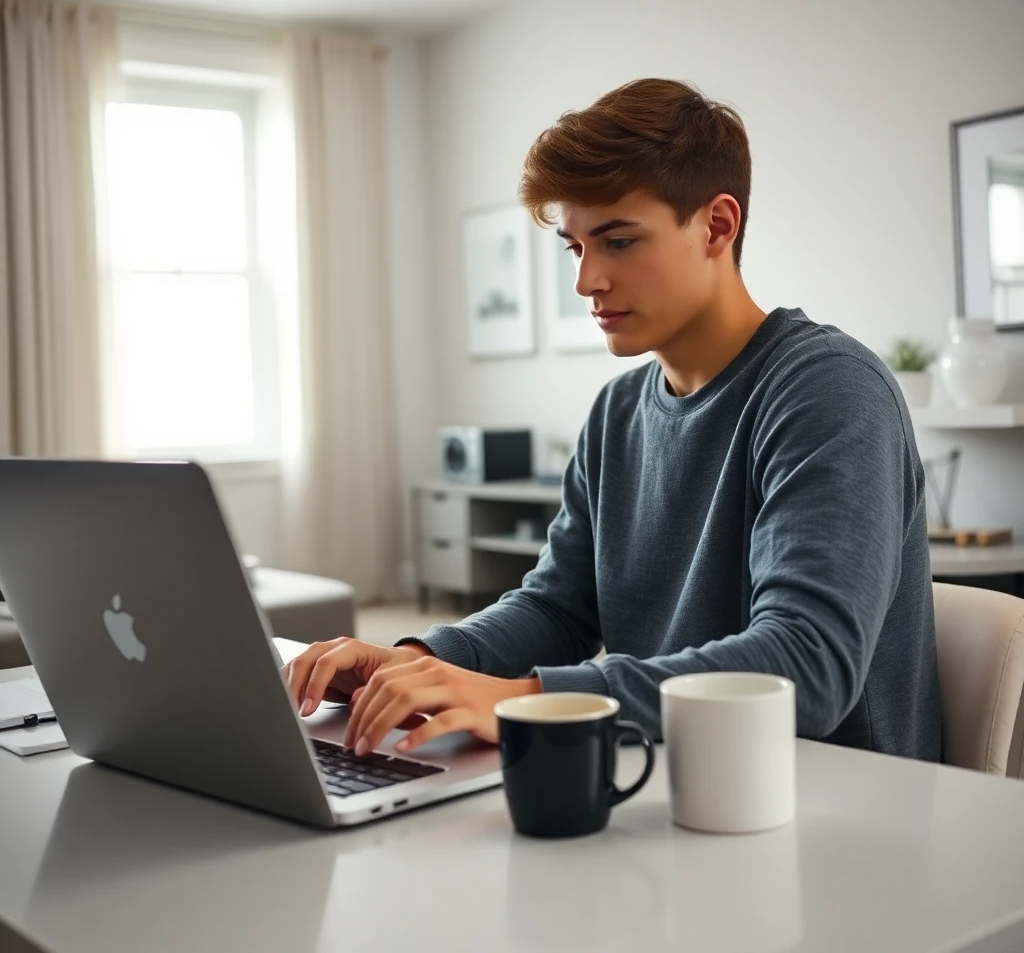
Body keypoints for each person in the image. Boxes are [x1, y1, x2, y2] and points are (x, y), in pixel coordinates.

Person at [283, 77, 942, 764]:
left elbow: (808, 663)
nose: (586, 281)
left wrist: (529, 699)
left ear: (718, 225)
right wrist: (415, 661)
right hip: (663, 774)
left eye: (619, 242)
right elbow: (559, 609)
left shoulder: (829, 389)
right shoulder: (618, 412)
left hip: (835, 806)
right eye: (575, 247)